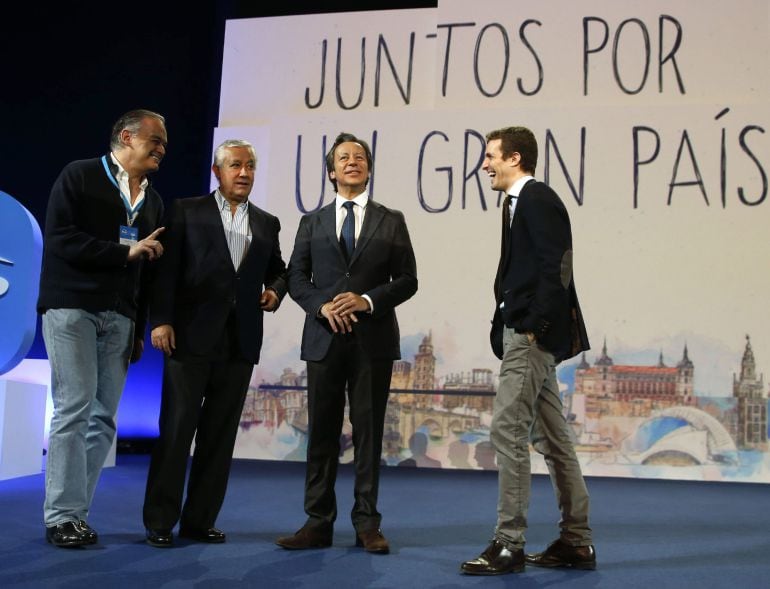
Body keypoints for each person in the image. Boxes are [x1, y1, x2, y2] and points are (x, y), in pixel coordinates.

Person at [461, 126, 595, 575]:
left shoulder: (537, 200)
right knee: (555, 440)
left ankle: (508, 544)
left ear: (514, 158)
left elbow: (556, 270)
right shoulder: (517, 203)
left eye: (490, 156)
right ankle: (576, 543)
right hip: (522, 334)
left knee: (507, 432)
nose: (484, 165)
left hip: (530, 339)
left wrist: (534, 328)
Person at [276, 132, 417, 555]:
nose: (352, 162)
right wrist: (322, 307)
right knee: (320, 433)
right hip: (323, 340)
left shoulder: (391, 219)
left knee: (369, 435)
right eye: (343, 158)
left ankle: (367, 524)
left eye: (359, 157)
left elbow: (409, 280)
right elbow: (296, 278)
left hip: (372, 343)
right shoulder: (311, 222)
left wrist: (367, 300)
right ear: (332, 171)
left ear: (368, 168)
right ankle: (317, 522)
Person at [142, 139, 287, 547]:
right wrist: (162, 320)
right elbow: (166, 271)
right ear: (217, 171)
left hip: (239, 344)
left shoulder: (267, 222)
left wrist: (274, 291)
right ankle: (159, 522)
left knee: (219, 440)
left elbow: (280, 270)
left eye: (251, 166)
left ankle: (199, 521)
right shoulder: (186, 211)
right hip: (188, 339)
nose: (244, 173)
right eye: (236, 165)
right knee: (175, 433)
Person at [37, 109, 167, 547]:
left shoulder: (154, 201)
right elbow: (61, 238)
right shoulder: (81, 175)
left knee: (102, 420)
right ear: (127, 137)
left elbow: (146, 272)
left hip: (120, 317)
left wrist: (136, 330)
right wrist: (121, 253)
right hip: (72, 308)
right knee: (73, 407)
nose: (162, 149)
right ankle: (60, 517)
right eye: (156, 140)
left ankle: (76, 514)